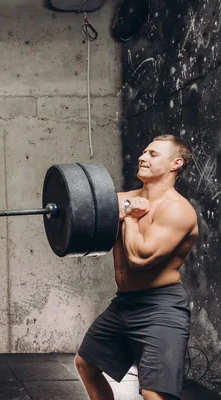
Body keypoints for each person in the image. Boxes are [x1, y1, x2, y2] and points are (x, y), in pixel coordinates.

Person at [75, 135, 199, 400]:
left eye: (153, 154)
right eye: (144, 152)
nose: (143, 157)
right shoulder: (121, 199)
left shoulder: (177, 210)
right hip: (124, 303)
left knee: (153, 393)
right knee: (86, 364)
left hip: (160, 307)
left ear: (175, 163)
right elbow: (81, 219)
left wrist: (130, 218)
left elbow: (141, 259)